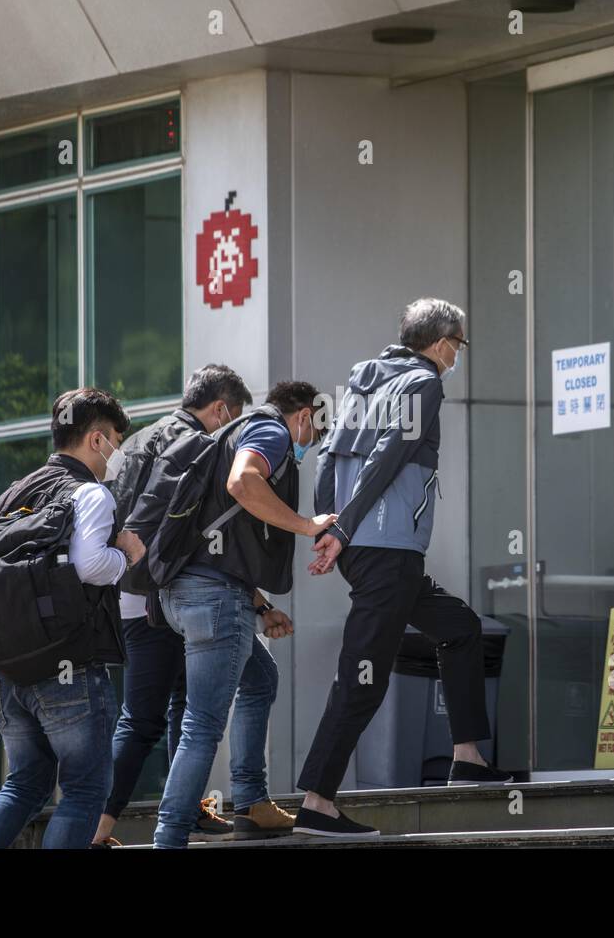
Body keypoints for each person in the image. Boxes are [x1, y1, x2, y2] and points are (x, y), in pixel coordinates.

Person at [296, 297, 513, 839]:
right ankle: (317, 802)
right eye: (459, 344)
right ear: (442, 344)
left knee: (460, 629)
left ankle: (467, 758)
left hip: (376, 555)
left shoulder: (364, 384)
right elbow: (388, 455)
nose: (458, 354)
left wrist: (330, 525)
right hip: (387, 552)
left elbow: (328, 458)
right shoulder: (423, 383)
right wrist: (341, 529)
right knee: (361, 679)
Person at [0, 388, 145, 848]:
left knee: (24, 784)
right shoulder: (91, 494)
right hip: (68, 670)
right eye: (118, 439)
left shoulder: (11, 496)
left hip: (6, 673)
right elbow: (90, 565)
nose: (119, 452)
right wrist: (129, 556)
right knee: (83, 788)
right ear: (97, 440)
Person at [151, 381, 333, 848]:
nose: (309, 444)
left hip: (187, 592)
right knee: (203, 724)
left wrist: (261, 606)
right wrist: (307, 524)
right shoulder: (271, 430)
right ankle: (169, 836)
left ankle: (251, 803)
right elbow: (243, 482)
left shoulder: (231, 431)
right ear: (304, 416)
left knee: (260, 679)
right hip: (212, 601)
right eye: (314, 432)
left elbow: (220, 543)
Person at [94, 365, 261, 846]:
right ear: (220, 409)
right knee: (144, 717)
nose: (230, 429)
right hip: (152, 591)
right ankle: (98, 828)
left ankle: (187, 809)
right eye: (232, 419)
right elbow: (161, 519)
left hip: (133, 588)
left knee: (179, 705)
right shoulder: (193, 442)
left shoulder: (147, 435)